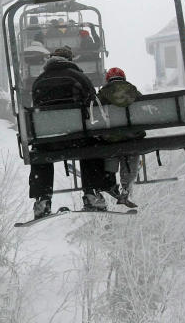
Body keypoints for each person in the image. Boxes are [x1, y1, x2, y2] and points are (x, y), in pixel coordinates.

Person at [28, 46, 103, 218]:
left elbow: (36, 107)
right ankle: (91, 194)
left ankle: (42, 201)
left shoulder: (39, 80)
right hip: (78, 137)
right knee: (93, 148)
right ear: (70, 60)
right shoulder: (79, 78)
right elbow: (93, 103)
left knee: (40, 153)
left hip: (49, 139)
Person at [98, 67, 142, 209]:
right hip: (131, 136)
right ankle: (126, 188)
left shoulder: (102, 94)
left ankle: (110, 183)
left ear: (107, 79)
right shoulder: (134, 92)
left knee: (109, 149)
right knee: (131, 152)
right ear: (124, 77)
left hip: (109, 138)